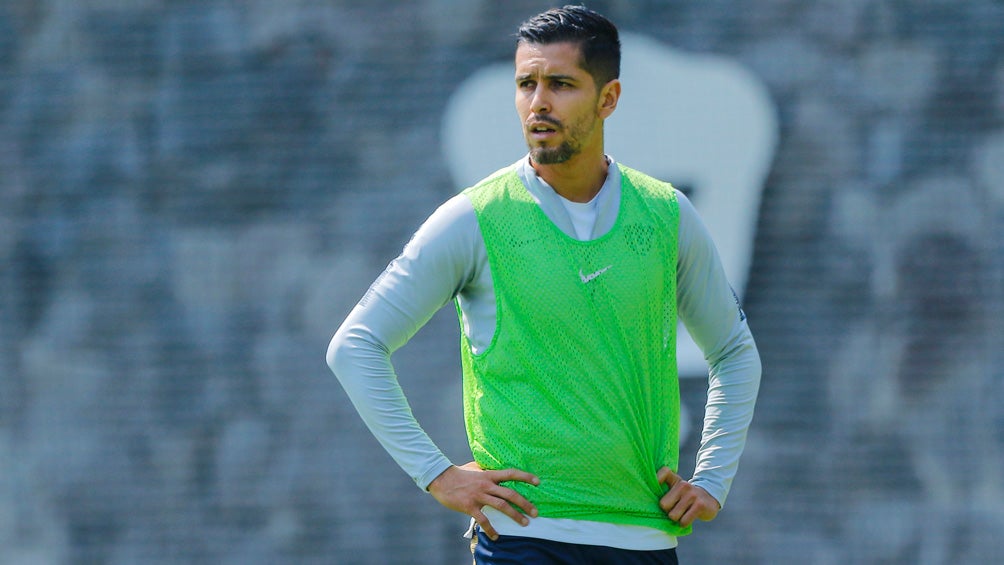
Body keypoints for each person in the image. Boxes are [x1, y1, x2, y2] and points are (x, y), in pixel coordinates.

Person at [327, 5, 761, 563]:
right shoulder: (473, 219)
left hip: (644, 541)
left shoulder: (666, 215)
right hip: (522, 540)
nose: (538, 103)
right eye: (526, 84)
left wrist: (713, 479)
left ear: (608, 99)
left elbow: (733, 352)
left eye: (561, 84)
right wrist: (436, 475)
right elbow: (356, 345)